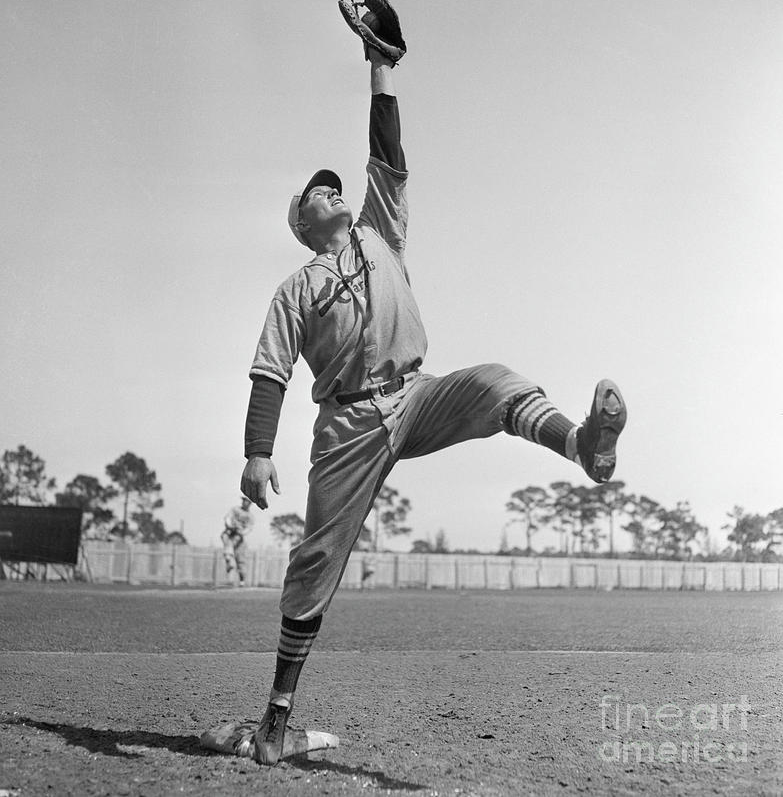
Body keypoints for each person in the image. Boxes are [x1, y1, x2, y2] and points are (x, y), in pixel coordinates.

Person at [237, 40, 627, 765]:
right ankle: (274, 726)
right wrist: (259, 452)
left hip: (414, 394)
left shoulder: (378, 232)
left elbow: (385, 154)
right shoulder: (295, 288)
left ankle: (582, 446)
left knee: (494, 382)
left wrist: (379, 65)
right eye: (314, 193)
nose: (330, 191)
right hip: (349, 424)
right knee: (316, 561)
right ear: (299, 225)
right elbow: (269, 372)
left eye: (333, 187)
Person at [221, 496, 254, 586]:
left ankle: (242, 581)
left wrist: (241, 532)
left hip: (239, 538)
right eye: (244, 500)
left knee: (241, 560)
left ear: (250, 503)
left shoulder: (250, 516)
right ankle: (229, 560)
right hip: (230, 532)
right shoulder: (235, 509)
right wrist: (230, 526)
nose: (244, 502)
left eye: (247, 501)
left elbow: (248, 528)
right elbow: (227, 518)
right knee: (227, 541)